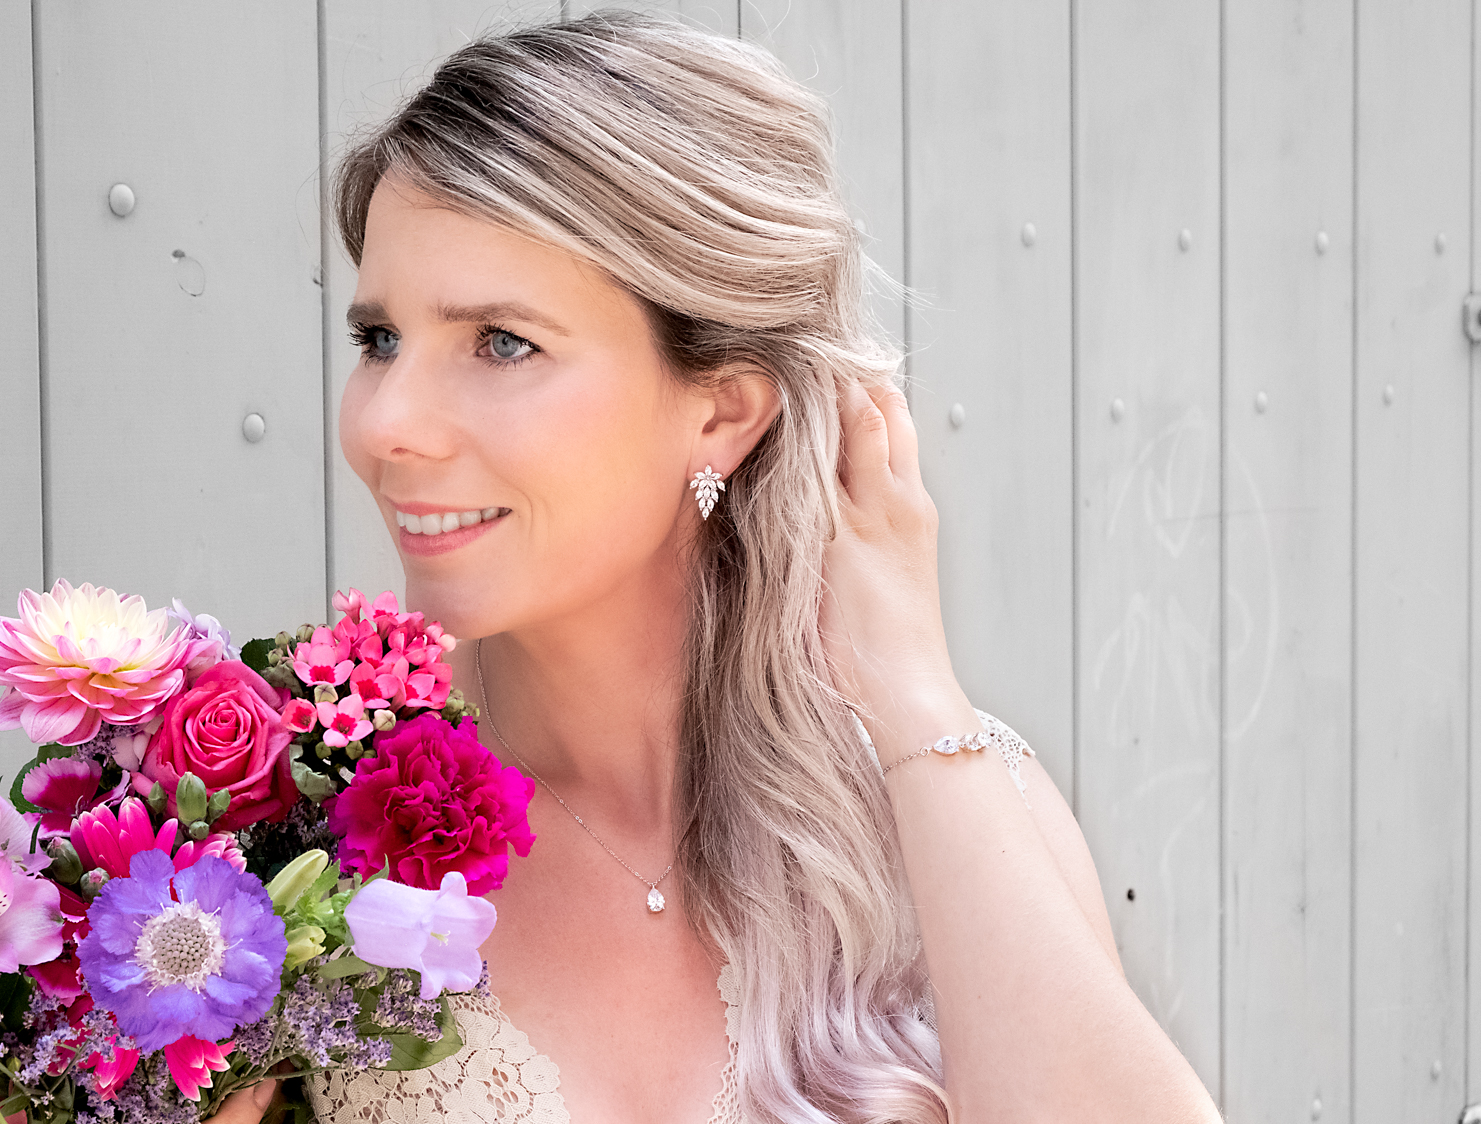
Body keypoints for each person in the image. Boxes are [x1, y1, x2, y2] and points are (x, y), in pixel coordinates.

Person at [212, 11, 1220, 1123]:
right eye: (379, 340)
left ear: (724, 410)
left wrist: (913, 697)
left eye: (503, 341)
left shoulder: (944, 799)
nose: (386, 423)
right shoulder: (282, 849)